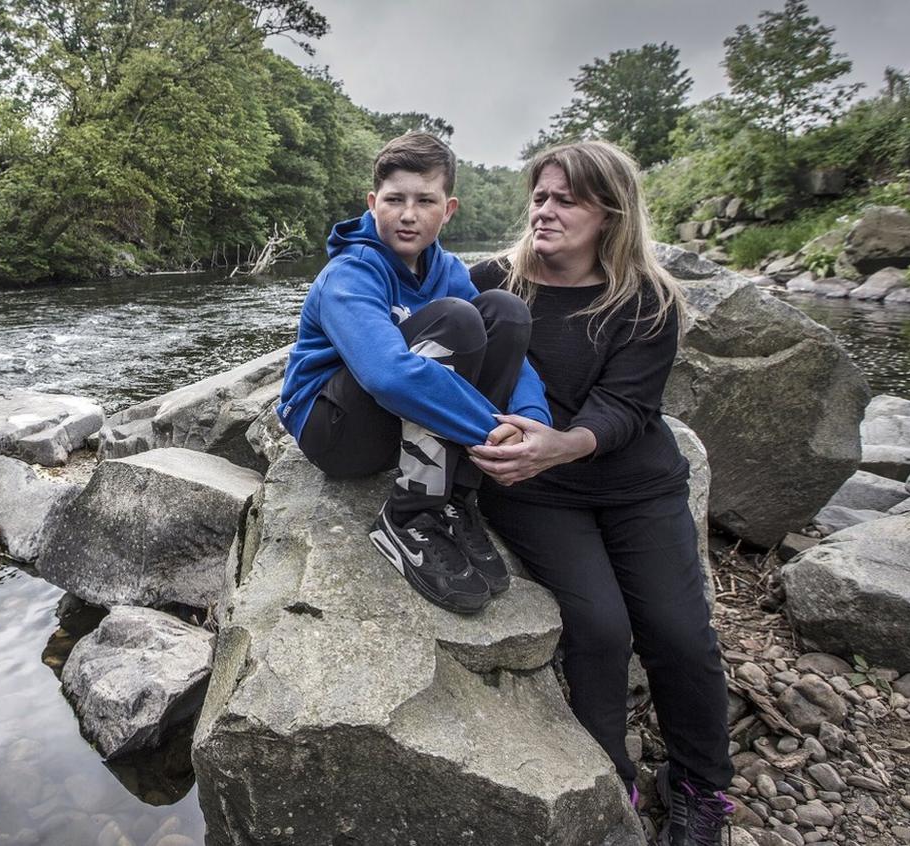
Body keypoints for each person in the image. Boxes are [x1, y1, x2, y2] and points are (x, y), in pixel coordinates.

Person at [465, 140, 733, 846]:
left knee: (681, 634)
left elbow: (625, 407)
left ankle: (701, 788)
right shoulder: (492, 280)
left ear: (611, 213)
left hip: (635, 484)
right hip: (535, 491)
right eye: (541, 196)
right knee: (600, 626)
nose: (544, 210)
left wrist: (564, 443)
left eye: (566, 200)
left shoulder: (648, 298)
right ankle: (607, 776)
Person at [276, 131, 552, 615]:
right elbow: (388, 376)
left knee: (505, 311)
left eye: (425, 200)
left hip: (395, 418)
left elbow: (510, 352)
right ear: (372, 202)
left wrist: (532, 421)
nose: (408, 214)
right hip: (335, 431)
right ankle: (409, 515)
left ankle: (454, 499)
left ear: (448, 210)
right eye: (394, 199)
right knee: (457, 320)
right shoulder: (352, 271)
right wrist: (489, 433)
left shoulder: (446, 268)